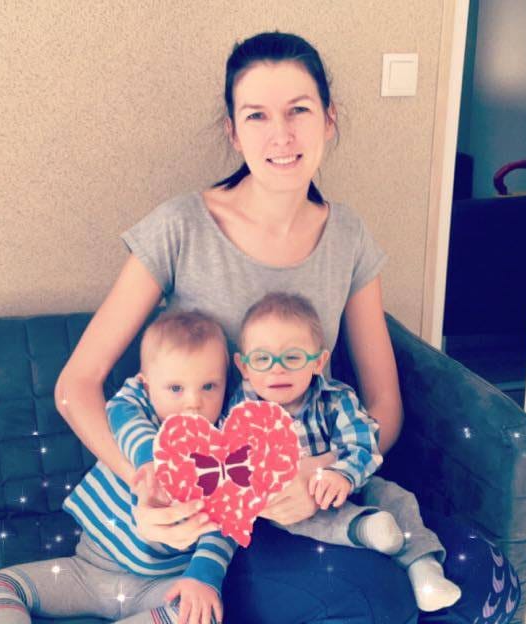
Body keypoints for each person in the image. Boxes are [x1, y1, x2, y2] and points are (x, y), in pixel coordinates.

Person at [56, 31, 475, 623]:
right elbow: (76, 386)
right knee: (369, 604)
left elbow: (384, 404)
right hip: (212, 524)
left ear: (328, 119)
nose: (281, 135)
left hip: (310, 500)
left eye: (299, 110)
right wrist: (149, 478)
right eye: (257, 115)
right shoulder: (180, 227)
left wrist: (323, 473)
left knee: (452, 580)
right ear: (233, 131)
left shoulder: (349, 237)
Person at [0, 310, 233, 624]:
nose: (193, 403)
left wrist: (203, 578)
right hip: (89, 570)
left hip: (158, 586)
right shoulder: (134, 408)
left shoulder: (223, 452)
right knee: (4, 583)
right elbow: (124, 419)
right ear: (146, 385)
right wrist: (151, 461)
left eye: (209, 386)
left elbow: (226, 525)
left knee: (199, 614)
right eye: (176, 389)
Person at [229, 292, 461, 611]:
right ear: (244, 367)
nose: (277, 370)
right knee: (299, 519)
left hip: (346, 483)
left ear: (318, 362)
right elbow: (232, 465)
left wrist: (343, 475)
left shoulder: (336, 399)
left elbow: (364, 443)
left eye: (293, 358)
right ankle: (365, 528)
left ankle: (425, 569)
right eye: (262, 359)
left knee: (396, 496)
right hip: (289, 506)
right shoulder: (241, 412)